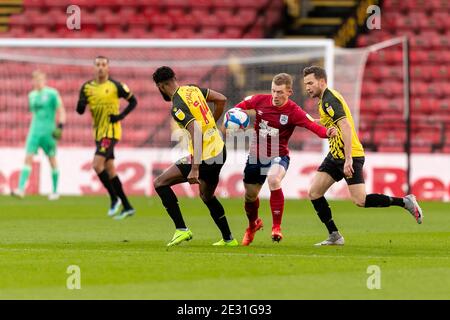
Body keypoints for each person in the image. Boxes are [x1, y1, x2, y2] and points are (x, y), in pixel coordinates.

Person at [303, 66, 423, 246]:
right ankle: (334, 235)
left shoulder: (330, 99)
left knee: (360, 200)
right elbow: (331, 122)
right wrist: (309, 121)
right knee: (314, 193)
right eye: (306, 84)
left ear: (322, 81)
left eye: (310, 83)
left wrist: (349, 158)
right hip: (334, 155)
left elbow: (346, 126)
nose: (307, 87)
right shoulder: (323, 101)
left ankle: (405, 202)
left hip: (348, 156)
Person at [234, 73, 336, 246]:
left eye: (280, 92)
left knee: (274, 179)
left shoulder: (294, 111)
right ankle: (253, 225)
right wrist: (235, 119)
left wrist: (327, 133)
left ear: (289, 92)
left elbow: (312, 125)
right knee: (250, 197)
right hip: (256, 156)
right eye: (273, 91)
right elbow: (238, 108)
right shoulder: (259, 100)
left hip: (278, 155)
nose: (275, 96)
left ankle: (276, 228)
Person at [152, 66, 238, 247]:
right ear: (175, 77)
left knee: (160, 183)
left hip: (205, 158)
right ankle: (229, 238)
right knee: (207, 196)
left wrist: (195, 168)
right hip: (220, 152)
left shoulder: (177, 106)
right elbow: (221, 99)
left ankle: (182, 229)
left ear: (160, 86)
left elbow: (196, 132)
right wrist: (212, 122)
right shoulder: (192, 89)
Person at [77, 56, 137, 220]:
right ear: (93, 68)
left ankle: (114, 198)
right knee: (110, 169)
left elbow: (133, 101)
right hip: (98, 133)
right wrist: (81, 105)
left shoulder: (116, 86)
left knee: (97, 165)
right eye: (98, 65)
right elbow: (80, 109)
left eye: (103, 65)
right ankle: (127, 206)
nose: (101, 68)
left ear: (108, 68)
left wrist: (120, 116)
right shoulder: (87, 87)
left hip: (111, 132)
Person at [12, 70, 66, 200]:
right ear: (33, 81)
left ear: (44, 80)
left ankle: (55, 191)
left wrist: (60, 127)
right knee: (28, 157)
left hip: (49, 132)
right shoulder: (32, 95)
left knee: (51, 159)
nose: (37, 82)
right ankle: (20, 189)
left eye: (40, 80)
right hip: (35, 131)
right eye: (35, 80)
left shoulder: (52, 93)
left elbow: (61, 110)